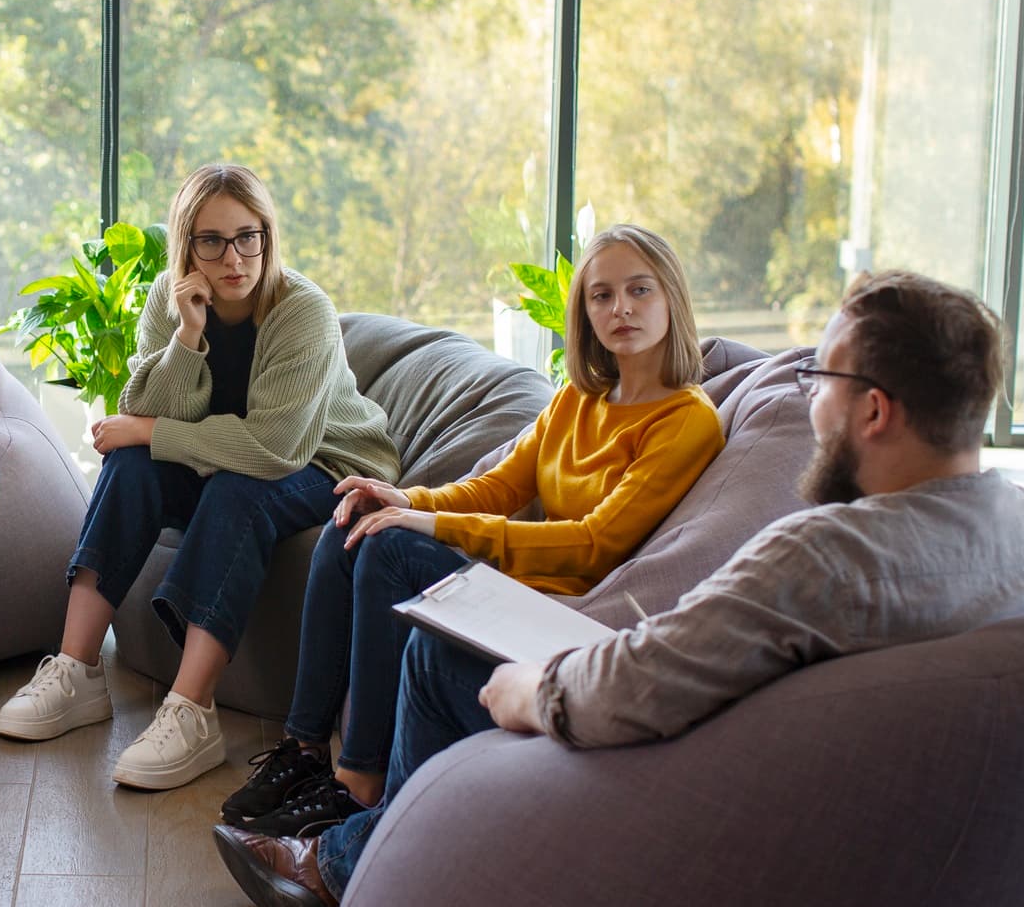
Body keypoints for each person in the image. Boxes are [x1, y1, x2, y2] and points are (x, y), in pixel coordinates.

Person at [215, 270, 1024, 907]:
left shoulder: (824, 556)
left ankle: (363, 875)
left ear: (873, 410)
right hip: (888, 843)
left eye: (818, 377)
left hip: (695, 810)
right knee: (391, 552)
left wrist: (533, 687)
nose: (807, 401)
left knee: (441, 657)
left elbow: (637, 679)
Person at [220, 224, 724, 838]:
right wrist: (403, 497)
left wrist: (427, 522)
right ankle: (302, 752)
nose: (620, 309)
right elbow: (499, 486)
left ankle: (358, 786)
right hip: (511, 585)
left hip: (557, 609)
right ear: (584, 312)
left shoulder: (686, 420)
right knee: (353, 520)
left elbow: (597, 542)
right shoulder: (577, 400)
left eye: (639, 290)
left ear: (671, 297)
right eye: (601, 295)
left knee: (390, 547)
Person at [0, 163, 402, 791]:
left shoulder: (303, 310)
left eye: (248, 236)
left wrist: (152, 432)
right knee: (130, 467)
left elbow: (274, 446)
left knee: (235, 489)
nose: (234, 258)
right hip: (225, 456)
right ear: (187, 246)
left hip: (325, 463)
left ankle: (191, 710)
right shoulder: (170, 297)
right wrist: (187, 336)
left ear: (267, 236)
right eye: (211, 241)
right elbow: (147, 406)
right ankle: (76, 671)